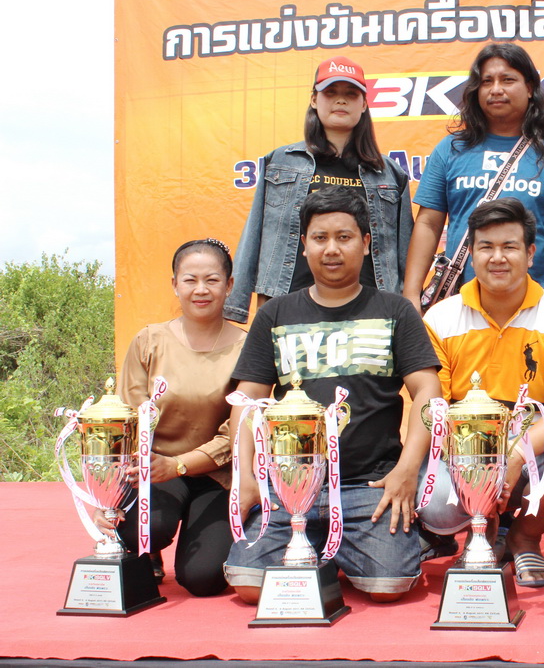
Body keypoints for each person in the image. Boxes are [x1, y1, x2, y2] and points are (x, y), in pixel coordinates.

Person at [223, 186, 442, 603]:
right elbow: (247, 401)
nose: (332, 249)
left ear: (366, 243)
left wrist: (406, 470)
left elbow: (428, 392)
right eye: (320, 238)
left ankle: (361, 545)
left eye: (344, 237)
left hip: (369, 485)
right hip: (289, 484)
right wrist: (245, 477)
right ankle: (325, 547)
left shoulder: (395, 311)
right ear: (304, 245)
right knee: (249, 586)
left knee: (388, 586)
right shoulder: (274, 314)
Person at [420, 198, 544, 587]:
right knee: (434, 507)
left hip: (534, 449)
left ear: (531, 254)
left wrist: (516, 455)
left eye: (510, 246)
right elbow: (434, 408)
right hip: (466, 448)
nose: (497, 257)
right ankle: (480, 536)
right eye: (486, 247)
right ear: (471, 254)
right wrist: (483, 466)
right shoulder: (440, 317)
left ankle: (524, 538)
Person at [100, 238, 247, 597]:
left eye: (212, 280)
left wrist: (179, 464)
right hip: (156, 469)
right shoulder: (149, 341)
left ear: (229, 285)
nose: (201, 290)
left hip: (218, 475)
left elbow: (236, 433)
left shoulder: (247, 347)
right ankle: (148, 550)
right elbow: (126, 420)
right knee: (141, 530)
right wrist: (107, 493)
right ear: (174, 284)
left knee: (203, 579)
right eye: (190, 280)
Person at [224, 55, 413, 323]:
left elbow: (405, 253)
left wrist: (407, 308)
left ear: (364, 104)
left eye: (351, 94)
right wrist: (237, 304)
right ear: (314, 100)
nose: (340, 100)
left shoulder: (389, 173)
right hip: (287, 305)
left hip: (370, 311)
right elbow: (253, 235)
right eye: (330, 92)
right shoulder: (280, 162)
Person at [402, 43, 544, 307]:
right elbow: (428, 224)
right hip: (460, 305)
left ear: (530, 88)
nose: (496, 89)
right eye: (487, 81)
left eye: (508, 80)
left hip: (535, 306)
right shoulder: (450, 150)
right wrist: (410, 294)